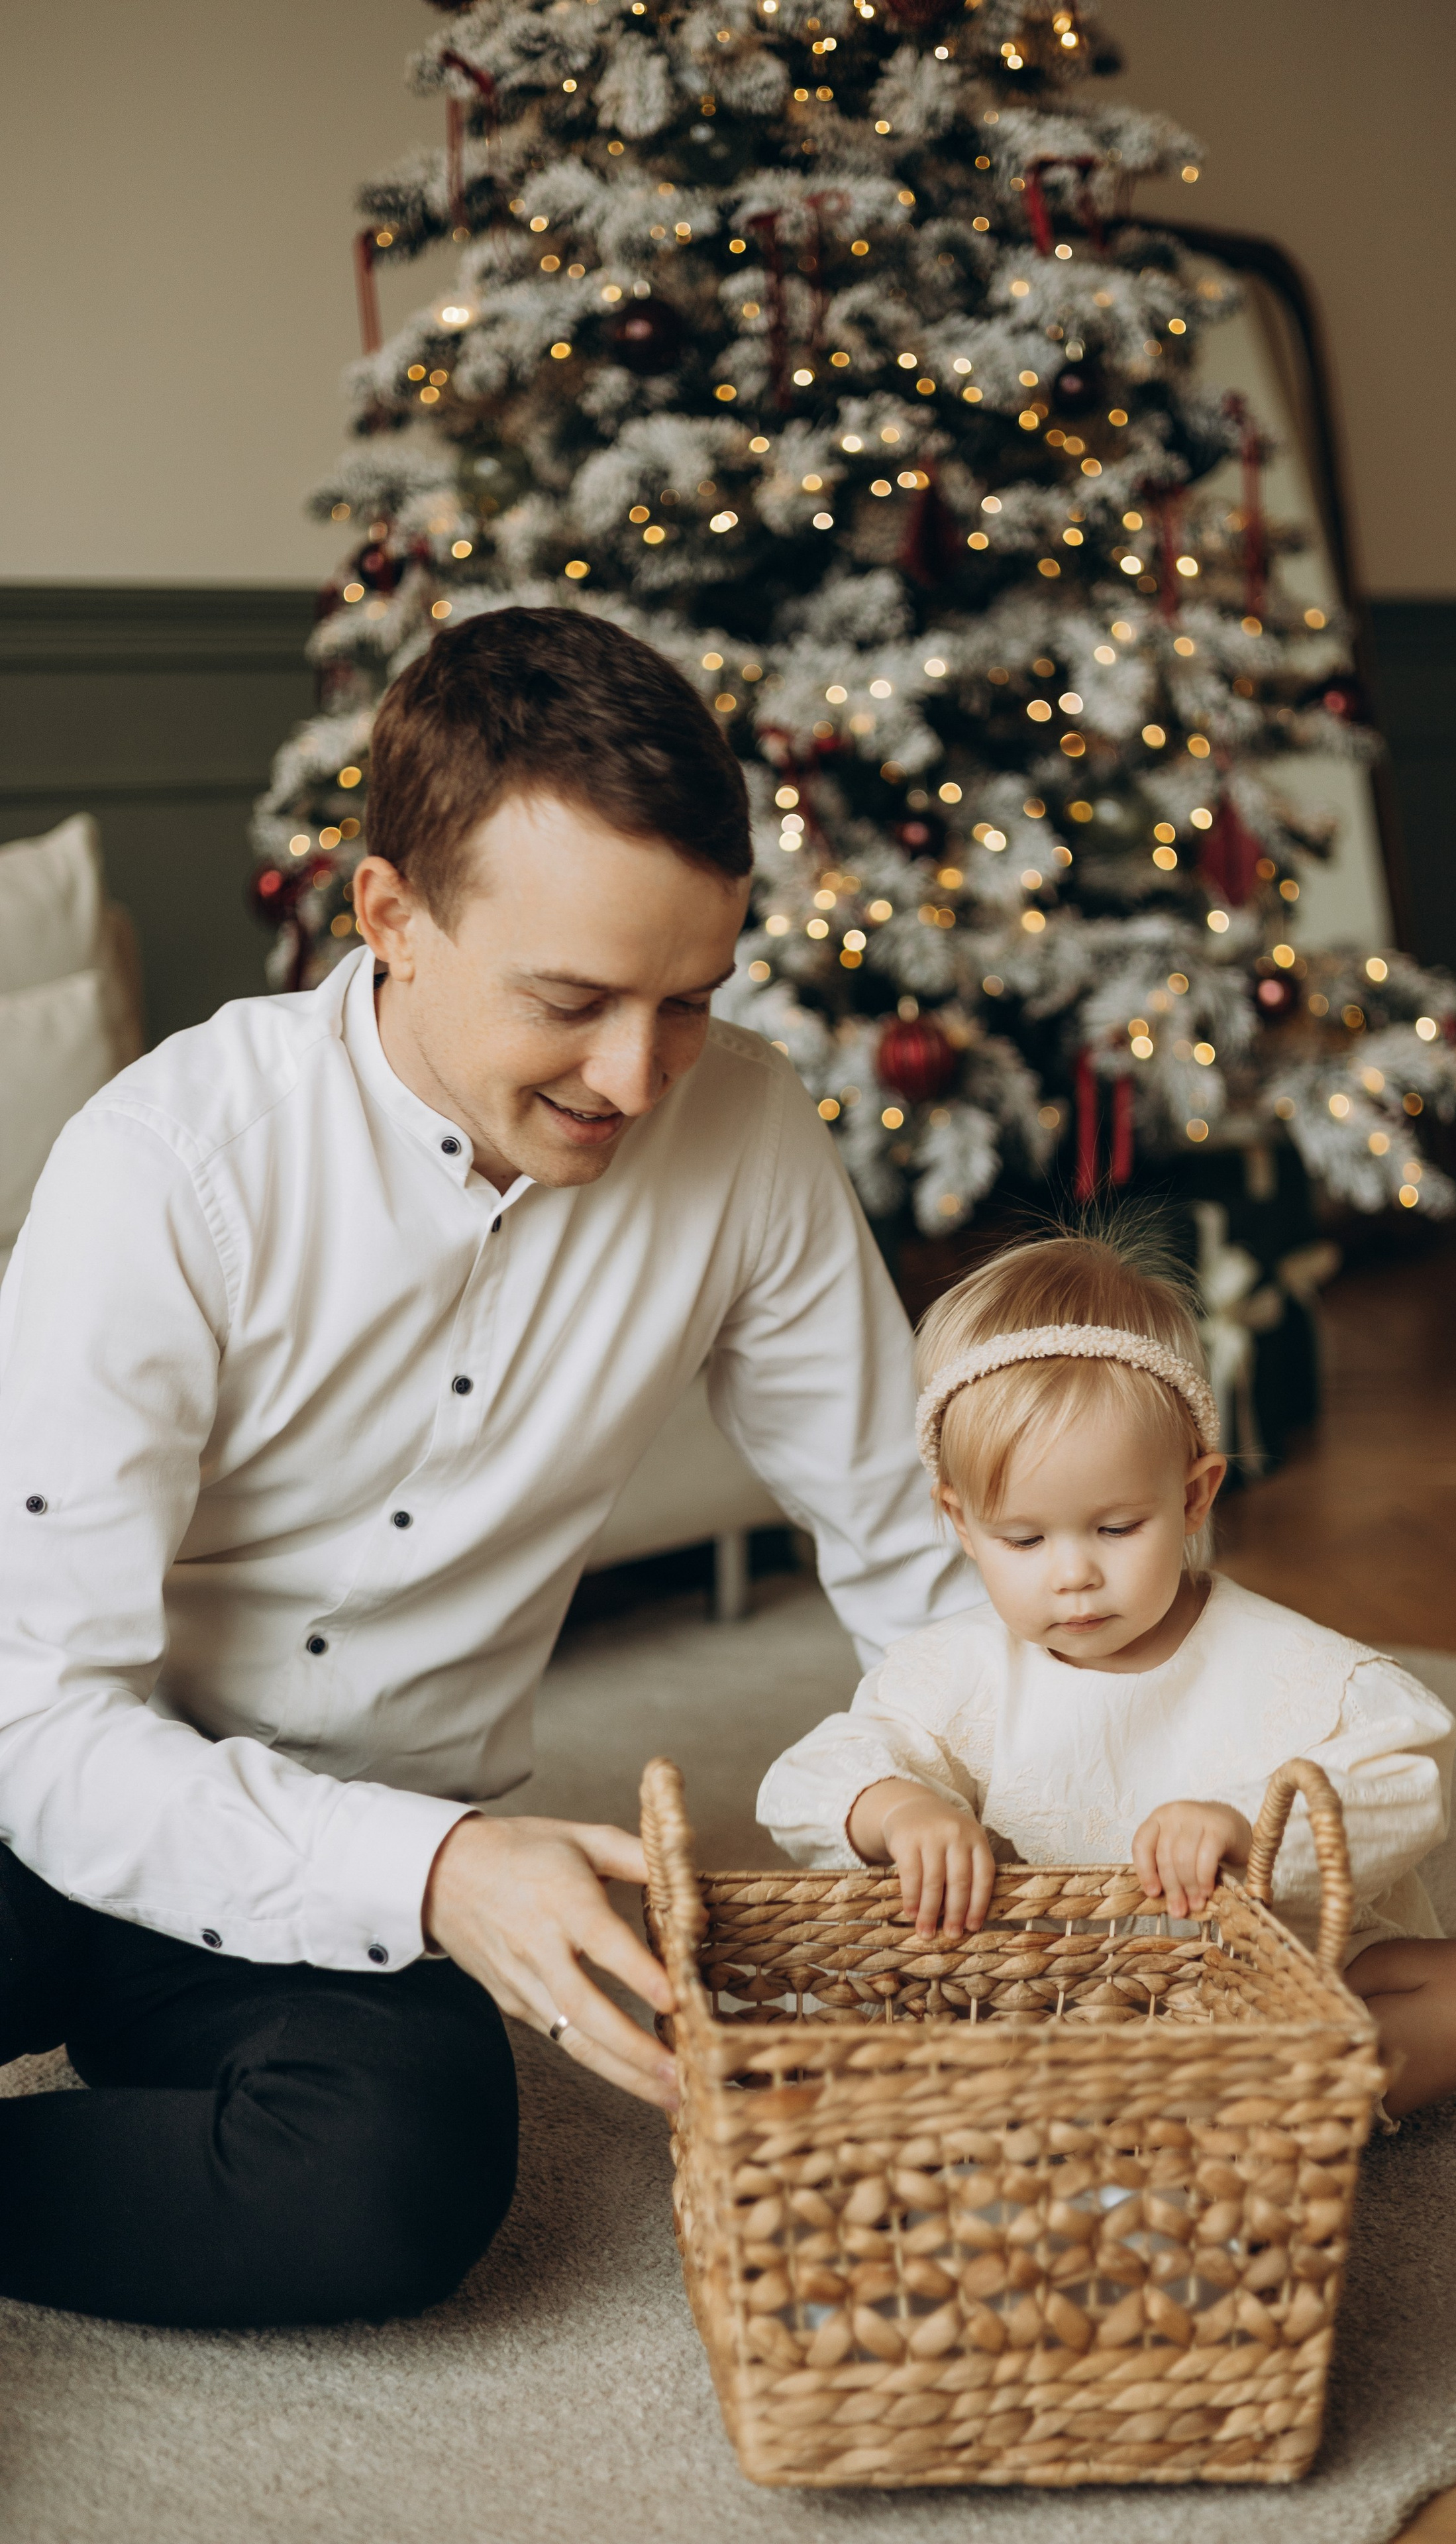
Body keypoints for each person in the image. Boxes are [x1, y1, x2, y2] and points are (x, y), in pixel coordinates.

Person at [0, 606, 971, 2328]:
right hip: (46, 1793)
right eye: (573, 1002)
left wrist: (1037, 1819)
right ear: (393, 919)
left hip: (351, 1836)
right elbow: (47, 1729)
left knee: (382, 2197)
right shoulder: (166, 1167)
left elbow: (911, 1548)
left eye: (689, 1002)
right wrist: (446, 1876)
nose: (635, 1075)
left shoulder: (745, 1133)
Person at [757, 1224, 1456, 2120]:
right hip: (1052, 1998)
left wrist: (1242, 1822)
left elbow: (1411, 1775)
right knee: (860, 1993)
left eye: (1116, 1528)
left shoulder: (1291, 1666)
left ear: (1194, 1497)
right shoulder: (949, 1670)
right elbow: (805, 1780)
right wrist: (899, 1810)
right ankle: (1097, 2103)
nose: (1073, 1573)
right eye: (1024, 1538)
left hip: (1268, 1995)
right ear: (961, 1524)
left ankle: (1262, 2100)